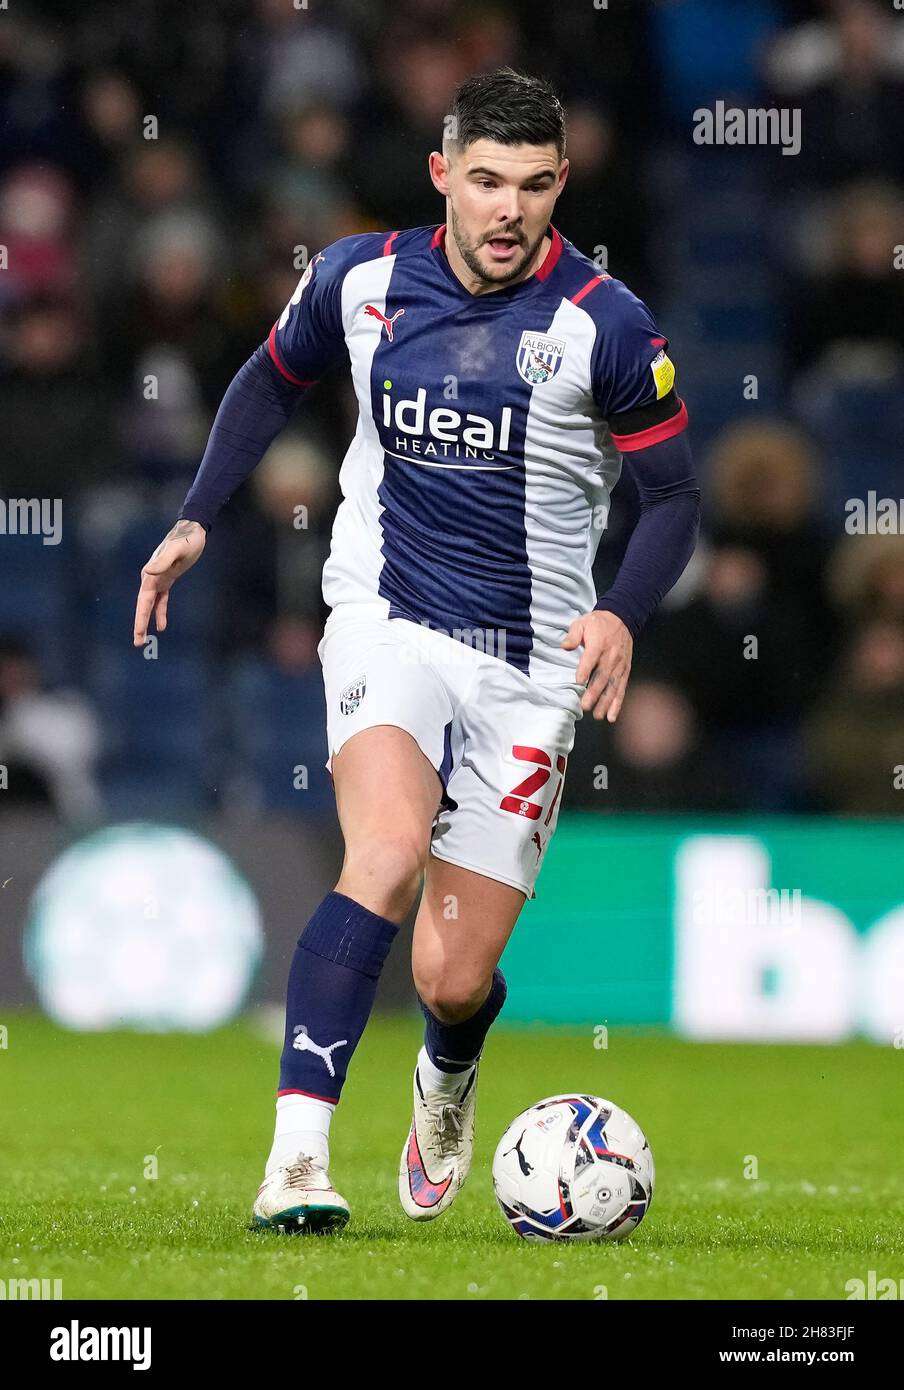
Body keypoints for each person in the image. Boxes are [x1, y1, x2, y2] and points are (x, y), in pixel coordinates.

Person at [132, 68, 700, 1233]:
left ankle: (446, 1076)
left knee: (450, 976)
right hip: (388, 621)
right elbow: (268, 379)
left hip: (533, 670)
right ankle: (296, 1160)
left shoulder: (608, 323)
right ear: (442, 173)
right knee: (382, 856)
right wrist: (199, 510)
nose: (507, 210)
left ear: (560, 187)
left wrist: (622, 611)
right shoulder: (359, 276)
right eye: (484, 181)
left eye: (533, 186)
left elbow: (675, 497)